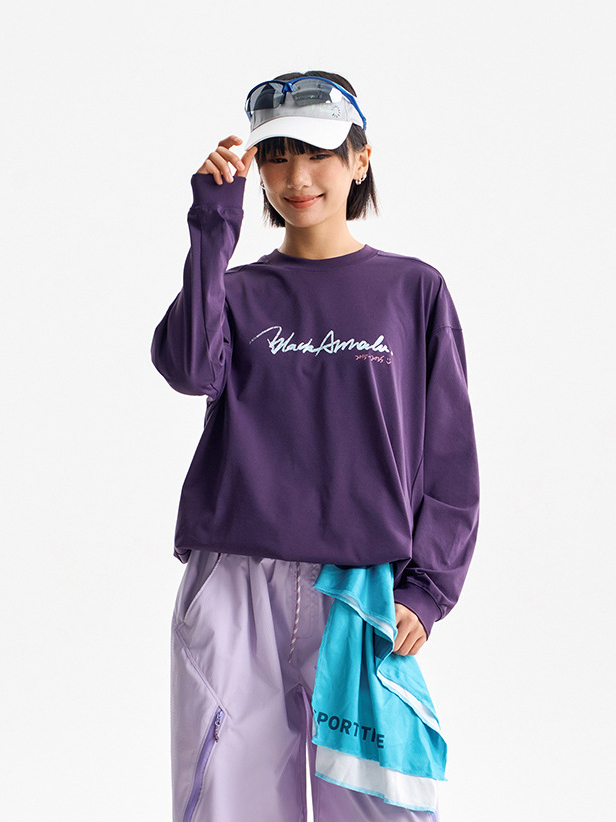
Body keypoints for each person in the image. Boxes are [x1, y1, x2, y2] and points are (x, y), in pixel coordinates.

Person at [151, 69, 480, 822]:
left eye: (319, 153)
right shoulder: (237, 292)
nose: (296, 177)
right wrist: (212, 227)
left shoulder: (413, 290)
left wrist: (428, 589)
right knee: (228, 805)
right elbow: (188, 368)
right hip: (236, 581)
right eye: (276, 155)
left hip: (361, 592)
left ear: (360, 159)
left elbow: (450, 456)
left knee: (379, 807)